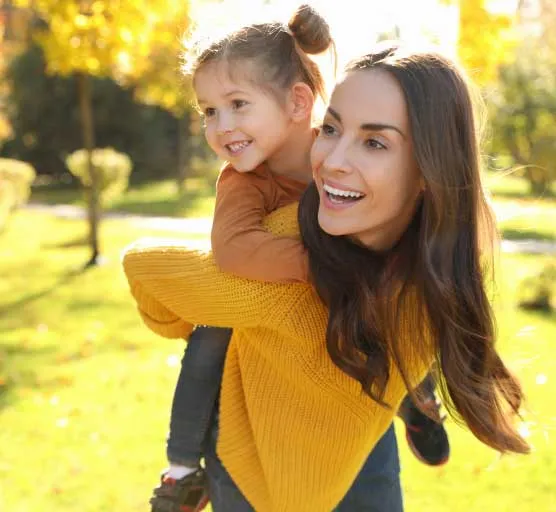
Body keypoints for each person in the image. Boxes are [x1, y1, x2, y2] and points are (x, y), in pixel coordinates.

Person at [123, 43, 529, 511]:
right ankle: (182, 467)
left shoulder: (437, 266)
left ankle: (417, 407)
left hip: (355, 448)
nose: (332, 160)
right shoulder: (289, 252)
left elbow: (145, 274)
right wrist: (216, 311)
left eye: (374, 142)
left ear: (431, 171)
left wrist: (182, 320)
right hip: (256, 467)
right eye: (332, 128)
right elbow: (146, 267)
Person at [147, 7, 448, 512]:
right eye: (209, 111)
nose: (221, 126)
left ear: (298, 102)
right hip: (266, 302)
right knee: (208, 337)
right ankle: (182, 470)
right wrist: (325, 266)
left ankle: (417, 396)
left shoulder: (336, 149)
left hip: (364, 329)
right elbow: (235, 250)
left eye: (237, 104)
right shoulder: (245, 182)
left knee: (398, 296)